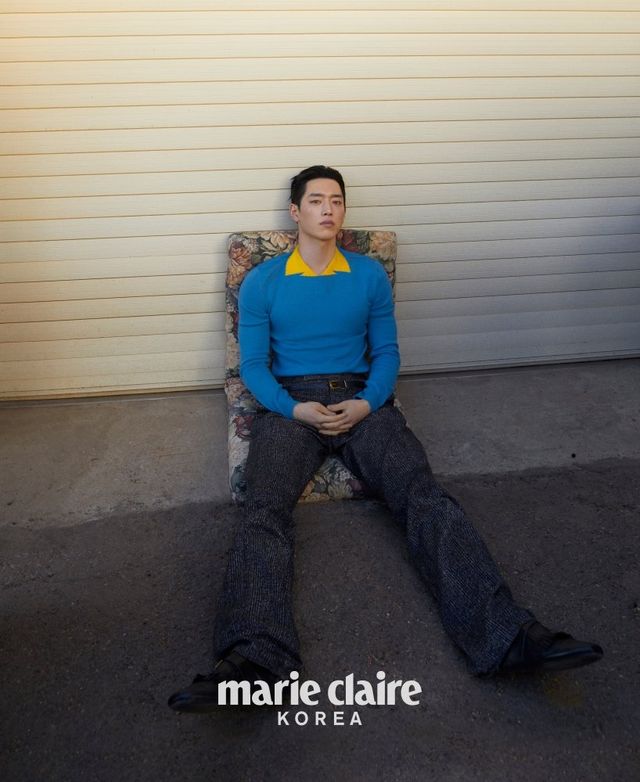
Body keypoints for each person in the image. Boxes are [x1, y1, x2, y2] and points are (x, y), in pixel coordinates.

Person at [168, 165, 602, 713]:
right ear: (295, 212)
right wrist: (294, 408)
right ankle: (254, 664)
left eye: (337, 201)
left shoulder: (368, 275)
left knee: (422, 495)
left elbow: (388, 353)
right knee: (264, 510)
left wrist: (368, 402)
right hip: (290, 404)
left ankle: (508, 637)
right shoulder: (263, 281)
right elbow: (254, 366)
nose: (328, 209)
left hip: (361, 399)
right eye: (316, 200)